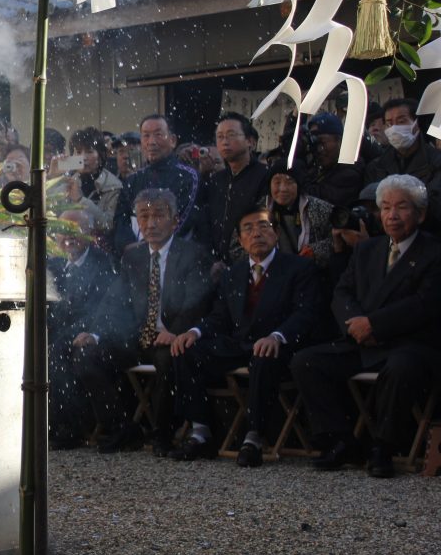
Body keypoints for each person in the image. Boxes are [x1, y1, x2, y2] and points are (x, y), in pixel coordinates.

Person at [291, 175, 441, 478]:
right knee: (306, 361)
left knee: (401, 368)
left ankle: (384, 446)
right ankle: (343, 439)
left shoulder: (434, 252)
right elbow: (342, 293)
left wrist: (375, 324)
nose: (392, 215)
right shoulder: (367, 249)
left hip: (409, 342)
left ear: (420, 213)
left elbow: (425, 304)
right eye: (385, 208)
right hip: (362, 338)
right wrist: (356, 324)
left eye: (401, 207)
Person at [170, 204, 320, 467]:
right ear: (240, 240)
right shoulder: (233, 273)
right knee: (187, 350)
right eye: (248, 229)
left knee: (264, 356)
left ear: (275, 233)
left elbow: (305, 314)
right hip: (240, 342)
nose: (256, 233)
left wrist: (277, 336)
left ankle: (254, 437)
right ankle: (200, 430)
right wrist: (194, 331)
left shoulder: (298, 268)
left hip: (279, 344)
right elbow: (220, 317)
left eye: (263, 226)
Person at [80, 189, 213, 456]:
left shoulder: (192, 253)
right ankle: (121, 427)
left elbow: (199, 299)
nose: (150, 223)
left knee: (168, 358)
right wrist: (95, 332)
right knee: (87, 354)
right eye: (144, 216)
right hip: (138, 336)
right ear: (137, 222)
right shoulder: (133, 255)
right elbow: (115, 298)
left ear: (174, 220)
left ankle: (163, 433)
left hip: (173, 335)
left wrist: (176, 330)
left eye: (158, 216)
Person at [46, 209, 117, 449]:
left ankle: (67, 427)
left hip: (93, 328)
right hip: (59, 331)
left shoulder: (102, 264)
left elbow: (100, 308)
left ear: (89, 234)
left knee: (59, 353)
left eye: (76, 232)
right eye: (63, 231)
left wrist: (64, 336)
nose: (68, 238)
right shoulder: (54, 264)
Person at [112, 115, 200, 254]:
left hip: (174, 258)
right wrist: (128, 246)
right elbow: (121, 220)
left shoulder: (189, 176)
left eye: (158, 135)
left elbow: (184, 220)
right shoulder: (133, 179)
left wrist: (149, 248)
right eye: (146, 136)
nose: (151, 142)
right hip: (134, 260)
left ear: (172, 140)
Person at [195, 113, 269, 264]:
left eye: (231, 135)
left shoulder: (265, 176)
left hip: (252, 262)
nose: (224, 142)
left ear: (250, 141)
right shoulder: (216, 180)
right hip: (214, 265)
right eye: (220, 137)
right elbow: (205, 224)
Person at [364, 98, 441, 231]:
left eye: (401, 121)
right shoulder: (376, 167)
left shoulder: (436, 162)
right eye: (389, 123)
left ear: (416, 123)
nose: (395, 128)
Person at [265, 160, 333, 268]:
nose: (283, 189)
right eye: (277, 182)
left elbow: (337, 240)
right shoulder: (259, 211)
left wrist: (315, 251)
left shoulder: (319, 208)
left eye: (289, 182)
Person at [305, 112, 364, 210]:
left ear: (340, 141)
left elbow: (316, 201)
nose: (318, 149)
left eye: (322, 142)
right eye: (315, 143)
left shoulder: (350, 171)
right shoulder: (318, 168)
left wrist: (298, 171)